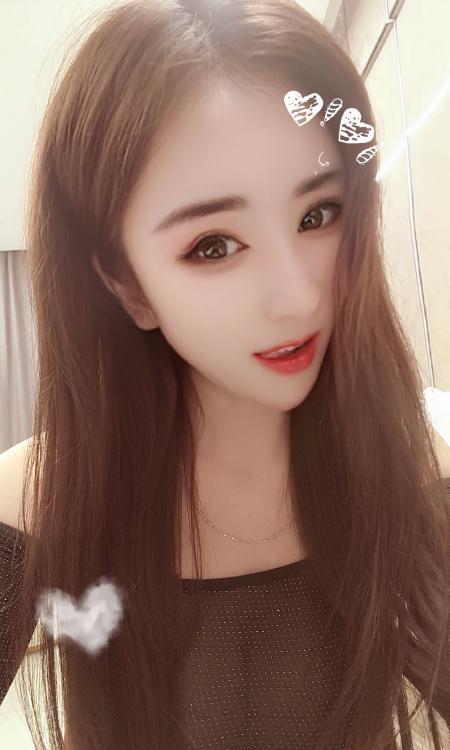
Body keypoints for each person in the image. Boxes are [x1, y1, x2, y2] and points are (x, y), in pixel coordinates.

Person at [0, 1, 448, 749]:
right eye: (213, 245)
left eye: (318, 215)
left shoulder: (412, 467)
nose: (299, 296)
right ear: (127, 286)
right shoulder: (37, 498)